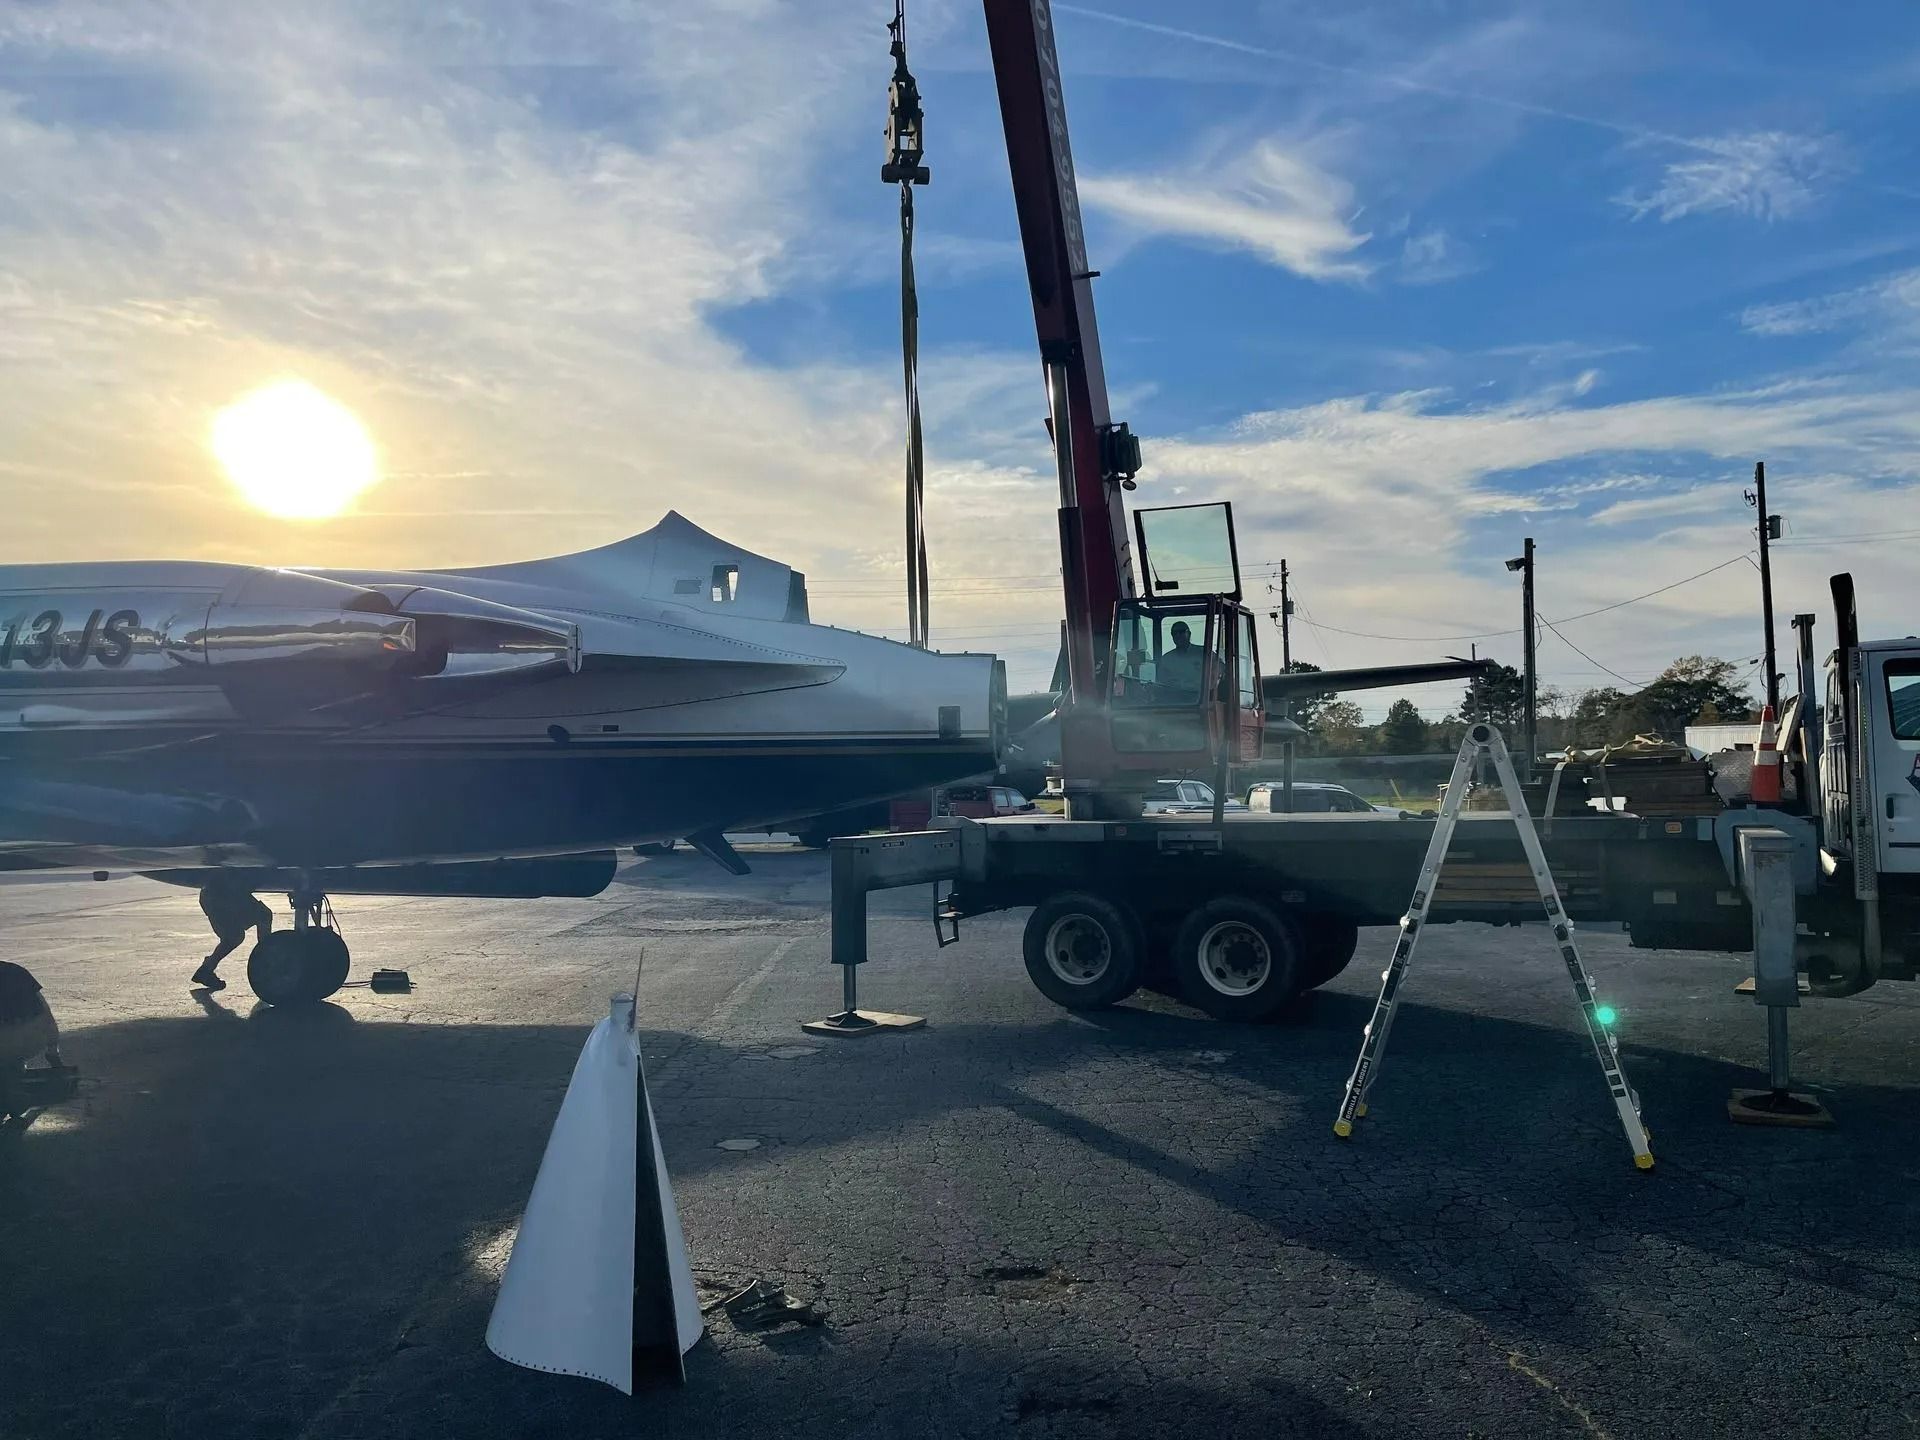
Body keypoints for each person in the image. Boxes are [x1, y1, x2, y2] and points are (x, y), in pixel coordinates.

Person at [194, 874, 274, 991]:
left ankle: (207, 968)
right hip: (223, 893)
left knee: (235, 935)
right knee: (238, 933)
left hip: (222, 892)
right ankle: (266, 963)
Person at [0, 961, 61, 1072]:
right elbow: (46, 1012)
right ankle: (17, 1068)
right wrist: (53, 1051)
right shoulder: (15, 970)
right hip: (30, 1042)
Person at [1155, 620, 1207, 699]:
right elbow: (1161, 683)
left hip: (1201, 700)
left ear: (1189, 634)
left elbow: (1219, 670)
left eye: (1181, 632)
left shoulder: (1203, 653)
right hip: (1175, 702)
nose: (1178, 635)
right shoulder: (1166, 659)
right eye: (1174, 633)